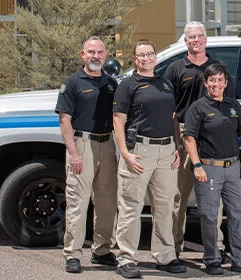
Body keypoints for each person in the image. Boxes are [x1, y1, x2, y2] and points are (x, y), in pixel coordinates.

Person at [113, 39, 185, 279]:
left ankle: (165, 256)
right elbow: (119, 120)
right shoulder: (128, 85)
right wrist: (125, 153)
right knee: (131, 206)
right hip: (139, 151)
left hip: (166, 151)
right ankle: (126, 258)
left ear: (155, 57)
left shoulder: (165, 84)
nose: (146, 58)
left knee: (164, 207)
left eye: (149, 54)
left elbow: (173, 117)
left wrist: (176, 145)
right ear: (135, 59)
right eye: (141, 55)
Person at [164, 21, 235, 263]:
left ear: (206, 39)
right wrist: (175, 144)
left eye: (199, 37)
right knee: (177, 197)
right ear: (185, 41)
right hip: (183, 136)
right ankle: (172, 249)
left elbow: (229, 105)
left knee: (213, 202)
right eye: (191, 37)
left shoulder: (218, 68)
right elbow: (169, 110)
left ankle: (215, 249)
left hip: (212, 138)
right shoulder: (174, 69)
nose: (195, 41)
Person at [182, 63, 241, 276]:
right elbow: (189, 138)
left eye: (220, 80)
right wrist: (197, 165)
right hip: (208, 168)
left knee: (238, 213)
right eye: (212, 80)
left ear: (226, 83)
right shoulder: (198, 108)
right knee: (208, 215)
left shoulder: (233, 106)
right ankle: (212, 259)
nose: (216, 84)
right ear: (206, 83)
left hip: (234, 167)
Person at [55, 36, 119, 274]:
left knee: (107, 200)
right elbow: (64, 120)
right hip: (82, 144)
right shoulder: (72, 83)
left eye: (100, 52)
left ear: (105, 55)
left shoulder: (112, 84)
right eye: (91, 52)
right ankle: (73, 253)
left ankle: (102, 250)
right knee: (77, 202)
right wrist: (73, 153)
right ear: (83, 55)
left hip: (107, 143)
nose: (96, 56)